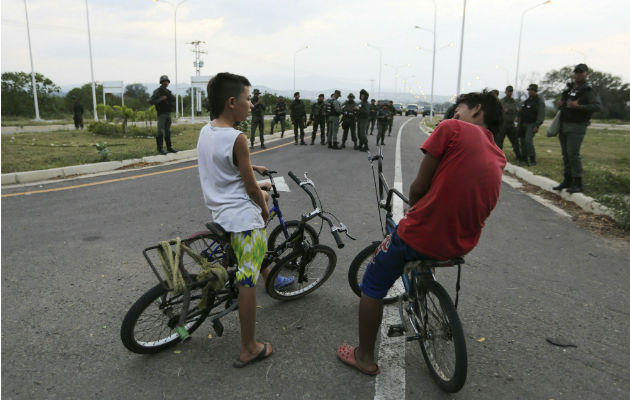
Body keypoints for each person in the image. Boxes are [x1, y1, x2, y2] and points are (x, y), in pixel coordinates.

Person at [336, 90, 506, 376]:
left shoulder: (452, 128)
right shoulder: (498, 154)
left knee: (373, 283)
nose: (454, 114)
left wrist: (414, 209)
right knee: (418, 249)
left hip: (424, 236)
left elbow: (417, 188)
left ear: (477, 109)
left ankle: (364, 356)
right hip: (461, 243)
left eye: (459, 108)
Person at [197, 72, 293, 369]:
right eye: (248, 99)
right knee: (246, 280)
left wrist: (250, 164)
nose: (251, 104)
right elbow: (252, 189)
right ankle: (249, 347)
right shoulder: (238, 137)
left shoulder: (207, 130)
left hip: (220, 210)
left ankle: (268, 274)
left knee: (247, 260)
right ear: (231, 102)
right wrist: (263, 215)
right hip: (242, 218)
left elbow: (222, 160)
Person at [553, 63, 602, 193]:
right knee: (566, 155)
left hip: (577, 126)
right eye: (576, 72)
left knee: (573, 154)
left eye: (581, 72)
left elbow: (597, 106)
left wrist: (579, 107)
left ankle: (578, 182)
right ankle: (567, 180)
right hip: (564, 124)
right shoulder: (570, 88)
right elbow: (566, 104)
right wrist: (561, 104)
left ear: (586, 74)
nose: (578, 74)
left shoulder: (588, 90)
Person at [517, 84, 545, 165]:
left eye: (531, 90)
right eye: (529, 90)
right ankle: (524, 158)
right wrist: (518, 117)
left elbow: (541, 114)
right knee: (522, 141)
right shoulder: (527, 101)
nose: (529, 92)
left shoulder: (538, 101)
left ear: (535, 91)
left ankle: (532, 159)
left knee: (528, 140)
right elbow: (521, 111)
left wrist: (537, 125)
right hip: (523, 123)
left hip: (531, 124)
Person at [149, 75, 178, 155]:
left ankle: (169, 147)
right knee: (160, 131)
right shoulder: (157, 91)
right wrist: (161, 99)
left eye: (167, 81)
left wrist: (170, 97)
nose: (166, 83)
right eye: (164, 81)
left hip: (168, 113)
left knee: (168, 131)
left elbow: (173, 99)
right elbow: (151, 101)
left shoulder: (168, 92)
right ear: (161, 82)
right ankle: (160, 148)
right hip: (161, 114)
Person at [495, 86, 521, 159]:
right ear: (505, 92)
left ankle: (519, 156)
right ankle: (498, 157)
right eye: (508, 91)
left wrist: (517, 116)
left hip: (511, 125)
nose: (510, 93)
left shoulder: (514, 102)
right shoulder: (501, 101)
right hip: (503, 125)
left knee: (515, 142)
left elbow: (518, 111)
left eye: (511, 91)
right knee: (499, 142)